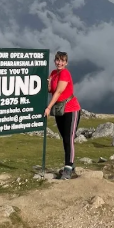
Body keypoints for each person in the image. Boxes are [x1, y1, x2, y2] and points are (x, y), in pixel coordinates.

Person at [44, 51, 81, 180]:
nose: (59, 63)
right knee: (64, 138)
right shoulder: (54, 73)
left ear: (66, 62)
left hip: (71, 109)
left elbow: (59, 91)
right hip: (60, 110)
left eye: (62, 61)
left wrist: (48, 107)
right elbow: (51, 90)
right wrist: (48, 83)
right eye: (57, 60)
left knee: (68, 138)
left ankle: (68, 169)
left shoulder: (65, 73)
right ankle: (70, 165)